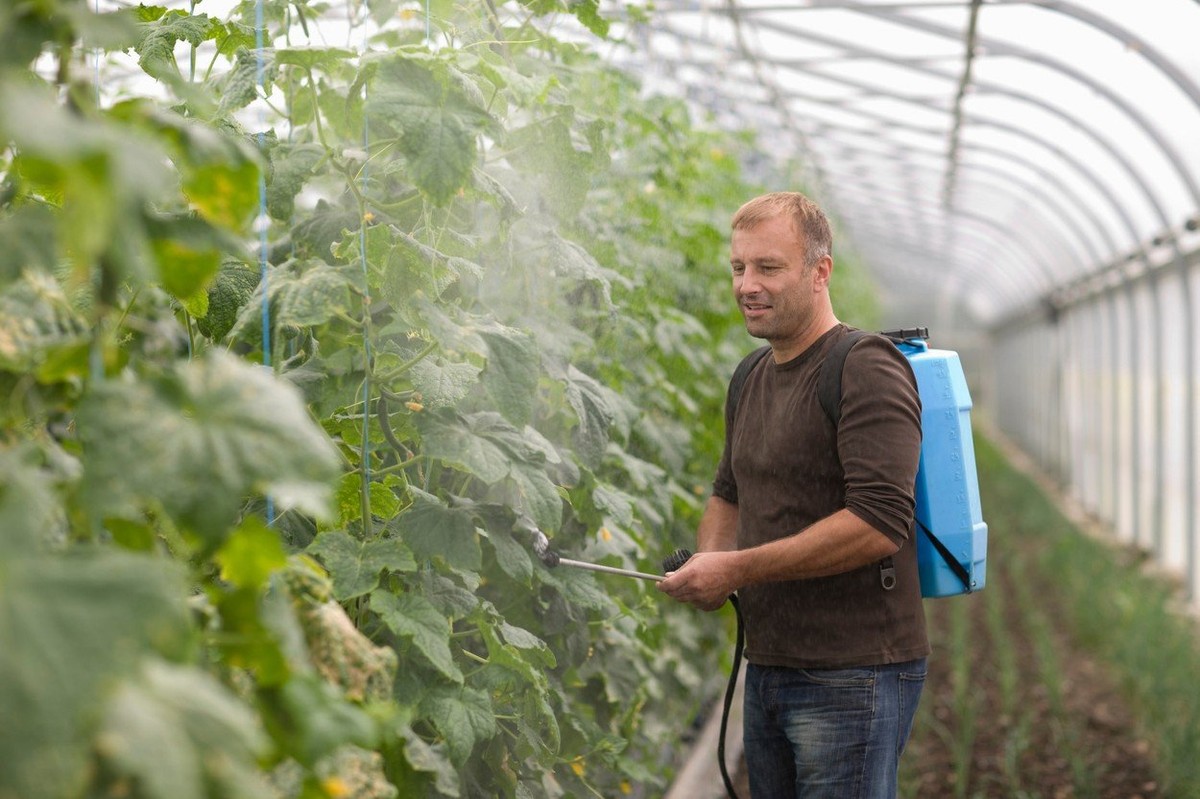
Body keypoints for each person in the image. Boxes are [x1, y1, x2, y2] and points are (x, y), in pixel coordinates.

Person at [657, 191, 929, 798]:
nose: (747, 285)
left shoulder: (865, 367)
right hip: (770, 665)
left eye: (768, 268)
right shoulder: (751, 375)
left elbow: (879, 521)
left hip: (854, 676)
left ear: (820, 271)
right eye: (738, 268)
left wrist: (736, 568)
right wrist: (710, 564)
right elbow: (729, 493)